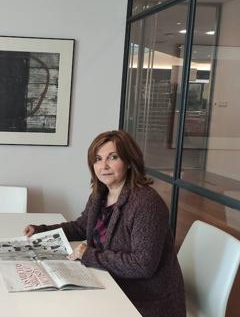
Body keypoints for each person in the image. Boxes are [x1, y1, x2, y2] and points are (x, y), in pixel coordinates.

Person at [24, 130, 185, 317]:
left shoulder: (146, 203)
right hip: (110, 283)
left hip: (144, 301)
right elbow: (82, 227)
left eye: (113, 157)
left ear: (130, 161)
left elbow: (143, 265)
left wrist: (90, 255)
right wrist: (41, 231)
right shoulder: (100, 194)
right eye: (98, 159)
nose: (104, 166)